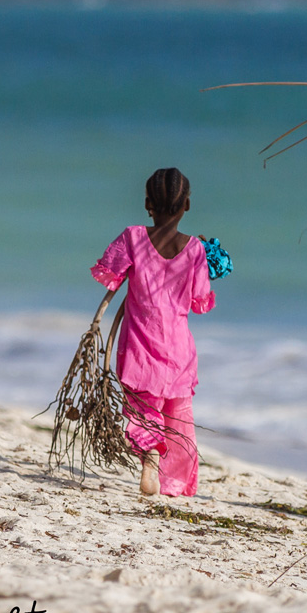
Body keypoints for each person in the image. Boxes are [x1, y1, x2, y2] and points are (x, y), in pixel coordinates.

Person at [90, 168, 217, 497]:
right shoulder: (193, 250)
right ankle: (172, 481)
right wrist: (200, 254)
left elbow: (109, 273)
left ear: (147, 203)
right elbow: (200, 301)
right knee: (178, 415)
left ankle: (149, 461)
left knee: (143, 407)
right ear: (186, 205)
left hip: (139, 342)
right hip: (177, 346)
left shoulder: (132, 237)